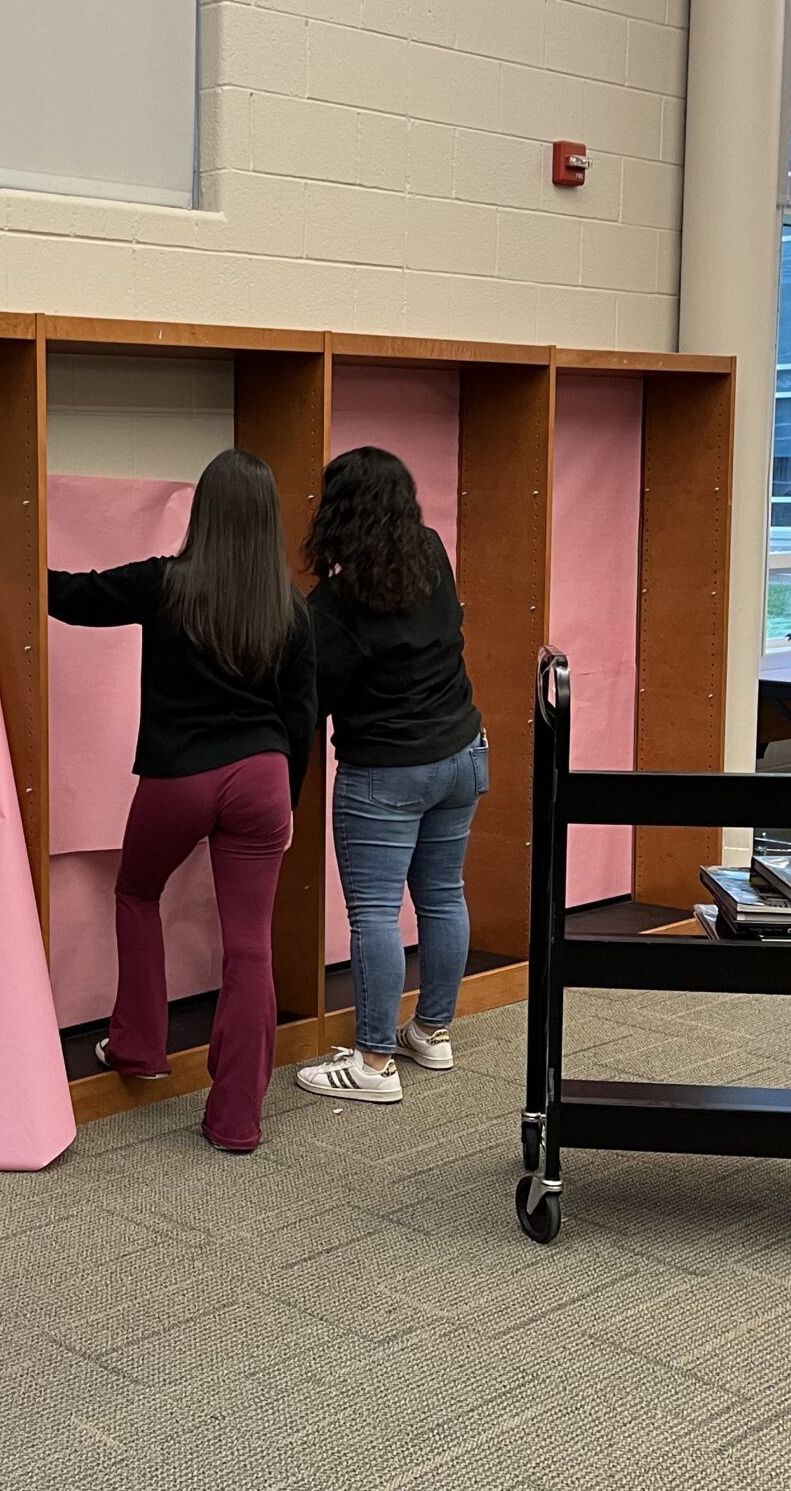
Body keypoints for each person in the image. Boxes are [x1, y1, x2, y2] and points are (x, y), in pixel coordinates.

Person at [49, 448, 317, 1153]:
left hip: (181, 777)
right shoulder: (289, 608)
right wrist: (284, 808)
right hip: (262, 779)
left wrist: (4, 558)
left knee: (138, 894)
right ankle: (236, 1121)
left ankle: (138, 1047)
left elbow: (70, 597)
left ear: (204, 512)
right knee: (250, 949)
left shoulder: (165, 584)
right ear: (266, 522)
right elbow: (301, 719)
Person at [294, 445, 486, 1107]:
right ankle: (430, 1032)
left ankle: (374, 1060)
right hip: (462, 753)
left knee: (375, 913)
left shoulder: (333, 607)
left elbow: (311, 701)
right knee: (442, 894)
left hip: (388, 772)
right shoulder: (431, 551)